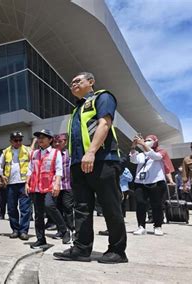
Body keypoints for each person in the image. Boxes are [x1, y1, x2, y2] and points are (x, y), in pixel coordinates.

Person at [53, 72, 127, 264]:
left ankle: (118, 251)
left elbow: (105, 124)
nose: (73, 84)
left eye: (78, 81)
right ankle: (81, 249)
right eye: (71, 83)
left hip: (102, 160)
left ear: (91, 82)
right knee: (82, 208)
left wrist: (92, 152)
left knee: (110, 206)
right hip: (79, 164)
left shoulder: (102, 97)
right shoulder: (76, 110)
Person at [26, 129, 70, 250]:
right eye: (39, 137)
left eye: (43, 137)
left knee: (49, 205)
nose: (40, 139)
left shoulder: (55, 153)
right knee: (38, 214)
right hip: (36, 187)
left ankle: (64, 230)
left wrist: (57, 184)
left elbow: (59, 170)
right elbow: (30, 169)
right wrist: (27, 183)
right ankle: (41, 239)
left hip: (49, 186)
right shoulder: (34, 153)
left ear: (50, 140)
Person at [130, 134, 175, 236]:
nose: (146, 141)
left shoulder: (161, 152)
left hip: (156, 182)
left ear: (155, 141)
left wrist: (143, 145)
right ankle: (141, 226)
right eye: (145, 140)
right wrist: (133, 146)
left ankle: (158, 226)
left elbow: (155, 156)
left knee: (157, 205)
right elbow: (133, 160)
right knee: (140, 204)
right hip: (140, 183)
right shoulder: (141, 154)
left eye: (149, 140)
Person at [0, 131, 32, 240]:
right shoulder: (5, 152)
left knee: (25, 208)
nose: (18, 142)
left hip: (24, 183)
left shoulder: (28, 150)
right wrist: (0, 176)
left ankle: (23, 231)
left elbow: (33, 164)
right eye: (15, 140)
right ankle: (15, 229)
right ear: (11, 141)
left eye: (20, 140)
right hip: (10, 184)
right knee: (11, 208)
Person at [53, 133, 75, 235]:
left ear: (65, 142)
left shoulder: (69, 154)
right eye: (55, 142)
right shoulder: (51, 154)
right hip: (56, 186)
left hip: (67, 185)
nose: (57, 143)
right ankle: (61, 230)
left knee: (68, 208)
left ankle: (71, 229)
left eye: (60, 141)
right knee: (57, 209)